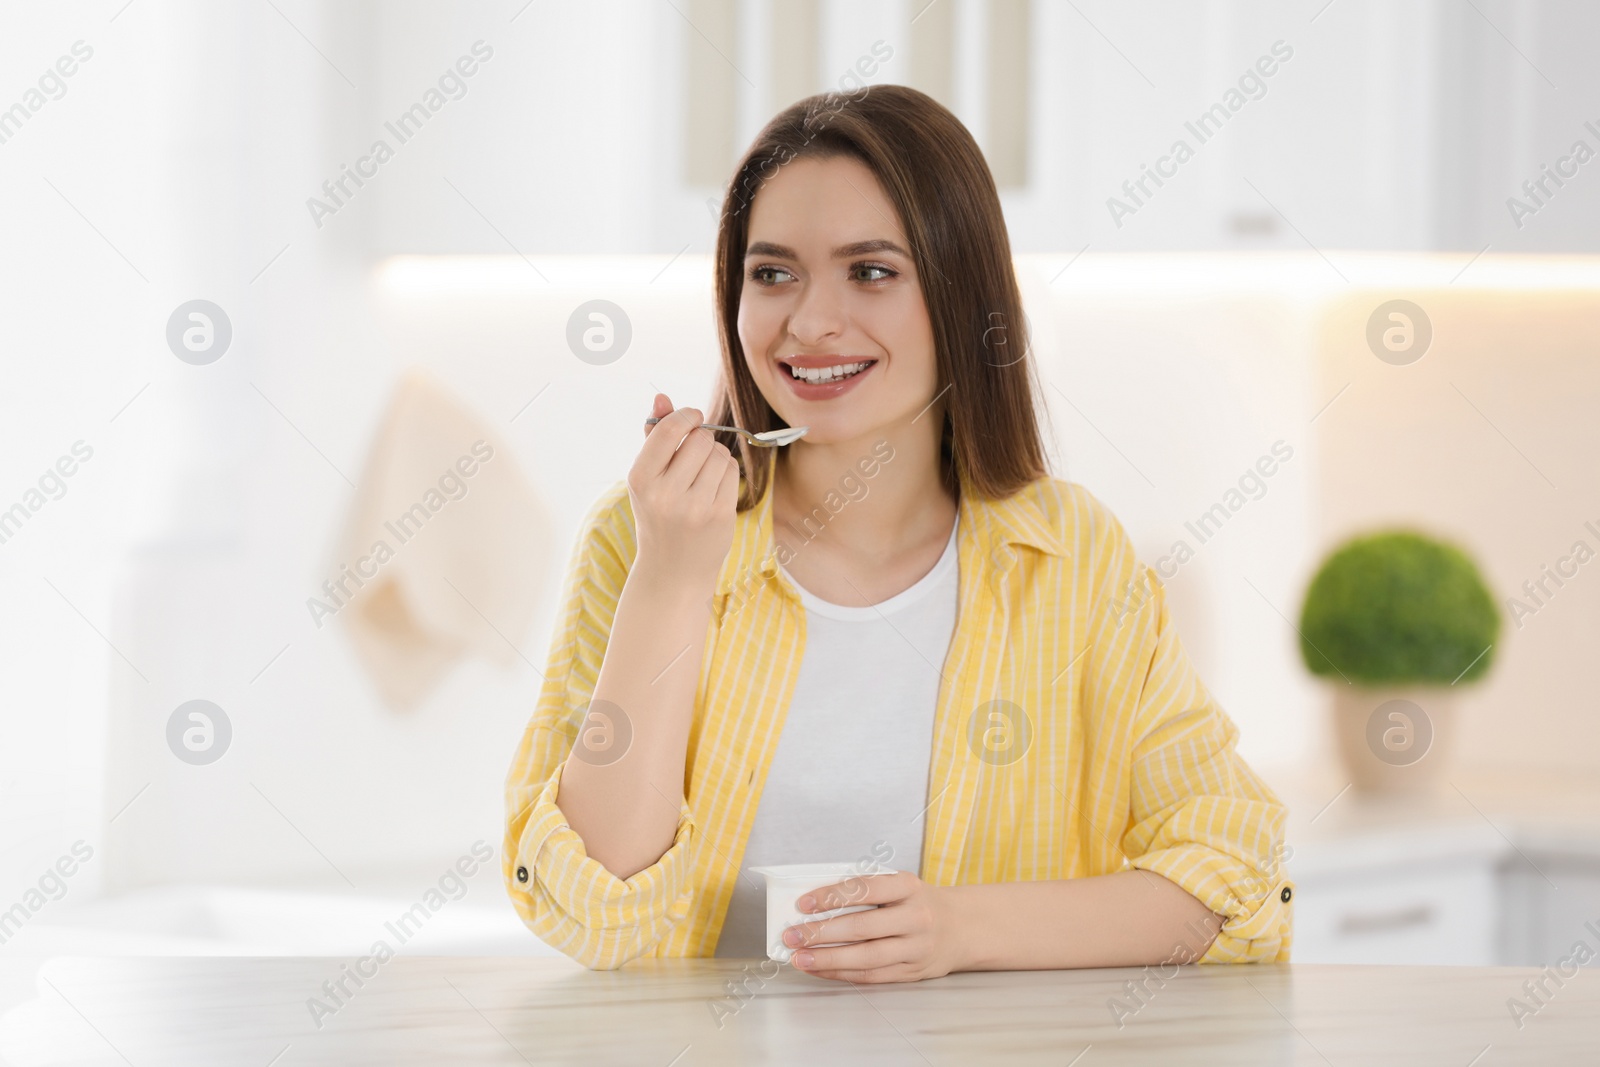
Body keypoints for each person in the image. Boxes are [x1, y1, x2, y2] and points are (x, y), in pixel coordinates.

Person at [504, 84, 1292, 983]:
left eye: (870, 271)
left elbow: (1239, 879)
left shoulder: (1072, 557)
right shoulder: (643, 537)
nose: (809, 322)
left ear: (961, 296)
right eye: (772, 273)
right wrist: (673, 580)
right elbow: (593, 909)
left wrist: (960, 928)